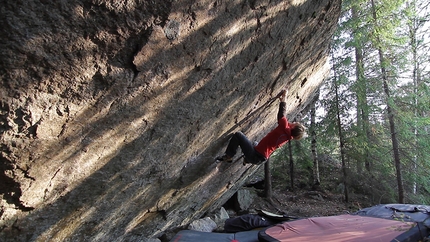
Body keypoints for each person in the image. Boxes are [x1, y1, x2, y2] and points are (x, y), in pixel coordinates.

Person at [216, 89, 306, 164]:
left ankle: (229, 156)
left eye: (296, 123)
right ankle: (246, 159)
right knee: (255, 143)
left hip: (256, 155)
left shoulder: (285, 128)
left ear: (293, 128)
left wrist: (284, 97)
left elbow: (282, 114)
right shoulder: (288, 136)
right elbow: (286, 123)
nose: (295, 122)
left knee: (238, 135)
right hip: (260, 158)